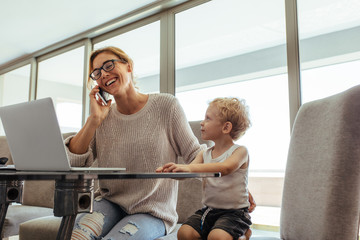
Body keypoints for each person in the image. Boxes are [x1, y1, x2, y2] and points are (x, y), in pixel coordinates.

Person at [65, 46, 203, 240]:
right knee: (77, 236)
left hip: (153, 212)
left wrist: (232, 183)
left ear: (128, 66)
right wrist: (94, 120)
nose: (104, 74)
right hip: (109, 203)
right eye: (97, 72)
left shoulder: (166, 106)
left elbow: (196, 154)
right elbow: (75, 162)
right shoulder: (103, 117)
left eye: (108, 65)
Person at [157, 97, 252, 240]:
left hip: (235, 213)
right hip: (209, 211)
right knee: (184, 233)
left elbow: (225, 168)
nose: (202, 122)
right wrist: (172, 171)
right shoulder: (204, 153)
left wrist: (189, 168)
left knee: (217, 237)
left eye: (208, 118)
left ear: (226, 127)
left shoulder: (240, 152)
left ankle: (243, 234)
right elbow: (189, 171)